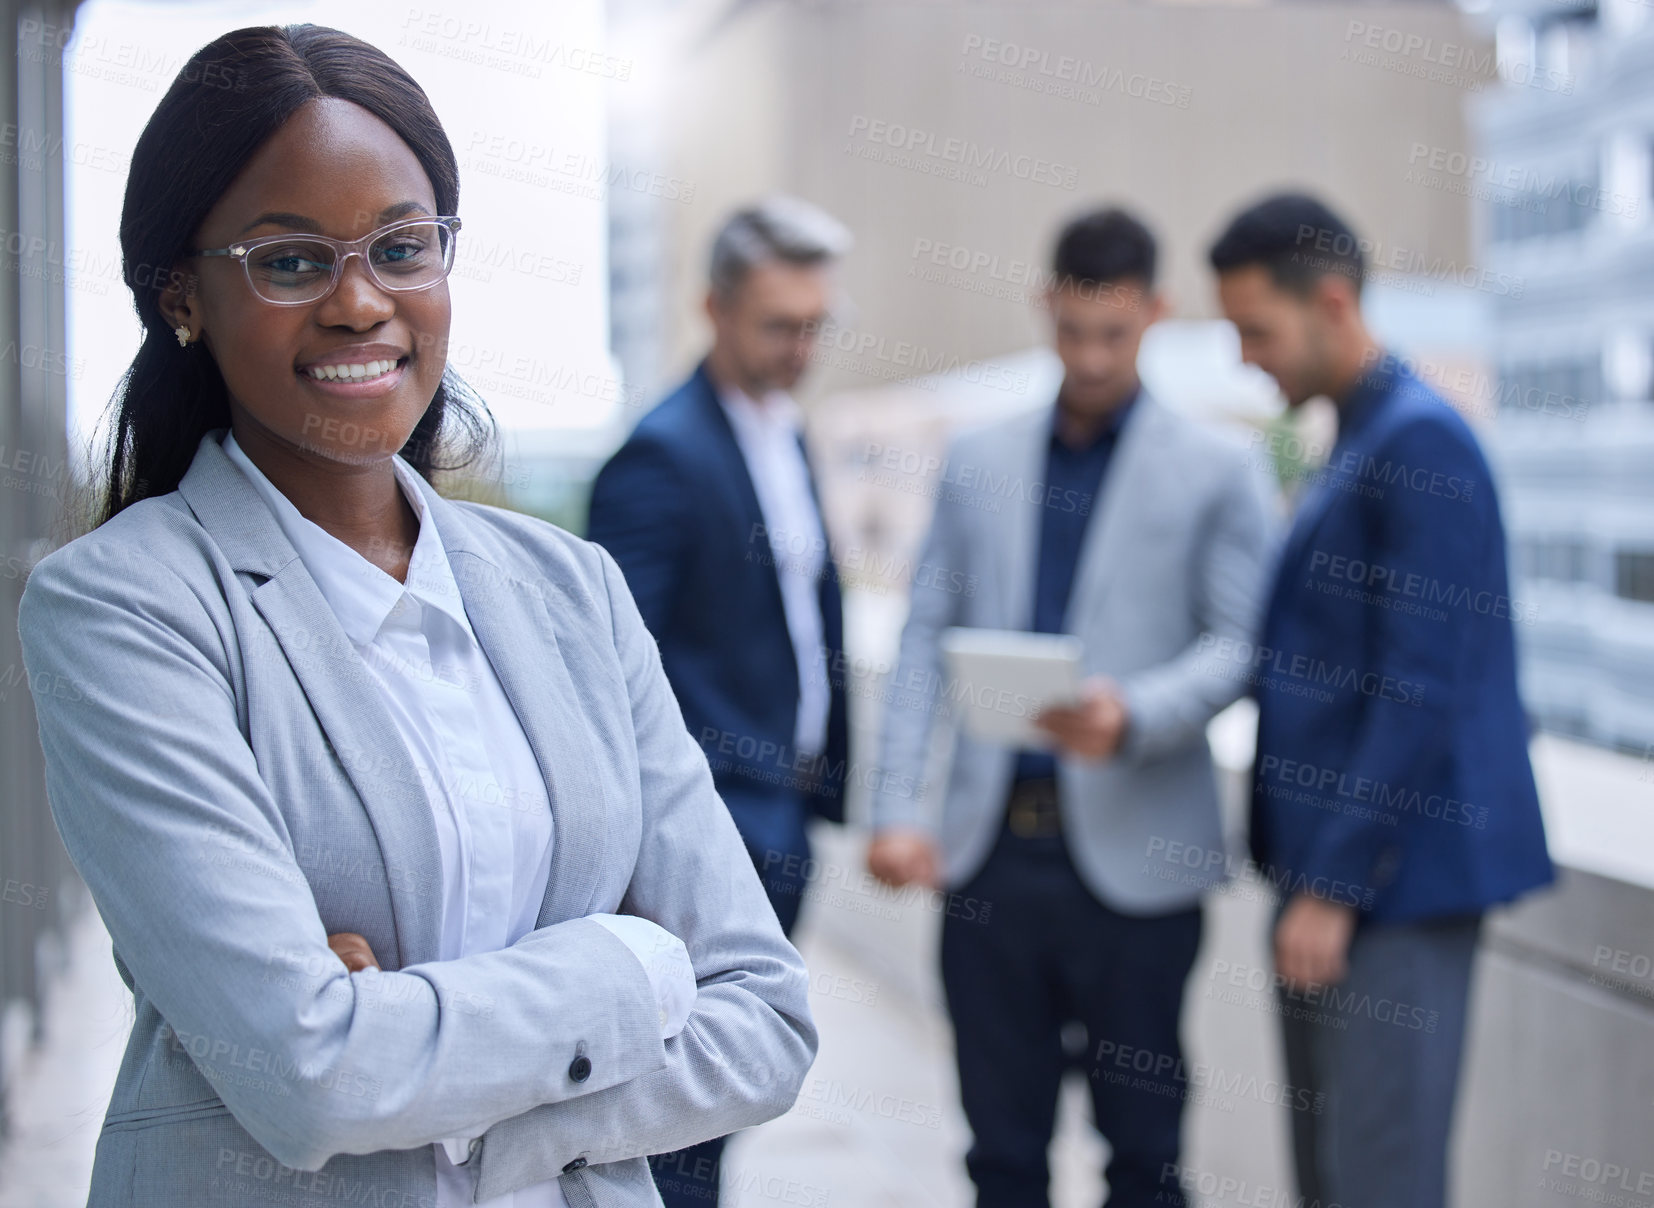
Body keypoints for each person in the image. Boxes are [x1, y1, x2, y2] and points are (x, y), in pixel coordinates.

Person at [17, 25, 815, 1208]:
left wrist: (434, 1075)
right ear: (182, 291)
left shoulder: (572, 591)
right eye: (288, 261)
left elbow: (762, 1017)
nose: (358, 303)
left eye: (401, 247)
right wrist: (630, 963)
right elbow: (310, 1073)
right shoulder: (124, 609)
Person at [866, 207, 1277, 1208]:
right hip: (989, 856)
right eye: (1073, 330)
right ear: (1046, 305)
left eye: (1116, 333)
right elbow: (922, 635)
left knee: (1143, 1158)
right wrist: (893, 809)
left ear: (1155, 313)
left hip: (1140, 869)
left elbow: (1241, 643)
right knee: (1000, 1157)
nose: (1091, 358)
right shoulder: (976, 457)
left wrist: (1133, 711)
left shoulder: (1220, 465)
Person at [1208, 192, 1554, 1208]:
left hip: (1392, 887)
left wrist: (1334, 885)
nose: (1242, 357)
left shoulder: (1419, 444)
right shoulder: (1357, 434)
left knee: (1377, 1178)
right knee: (1337, 1178)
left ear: (1331, 301)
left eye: (1254, 330)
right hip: (1345, 879)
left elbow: (1418, 685)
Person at [587, 196, 852, 1207]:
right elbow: (608, 674)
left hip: (783, 810)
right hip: (710, 823)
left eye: (815, 325)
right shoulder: (665, 453)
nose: (801, 347)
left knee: (730, 1105)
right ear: (713, 307)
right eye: (779, 325)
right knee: (680, 1124)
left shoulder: (780, 432)